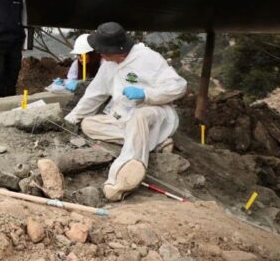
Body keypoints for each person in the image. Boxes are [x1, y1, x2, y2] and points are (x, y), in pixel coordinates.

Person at [64, 22, 187, 201]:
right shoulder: (109, 63)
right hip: (122, 117)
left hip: (152, 113)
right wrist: (71, 118)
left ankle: (122, 178)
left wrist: (146, 94)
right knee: (88, 124)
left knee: (139, 117)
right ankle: (158, 143)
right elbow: (95, 93)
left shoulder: (148, 58)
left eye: (103, 51)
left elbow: (178, 86)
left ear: (117, 50)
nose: (100, 55)